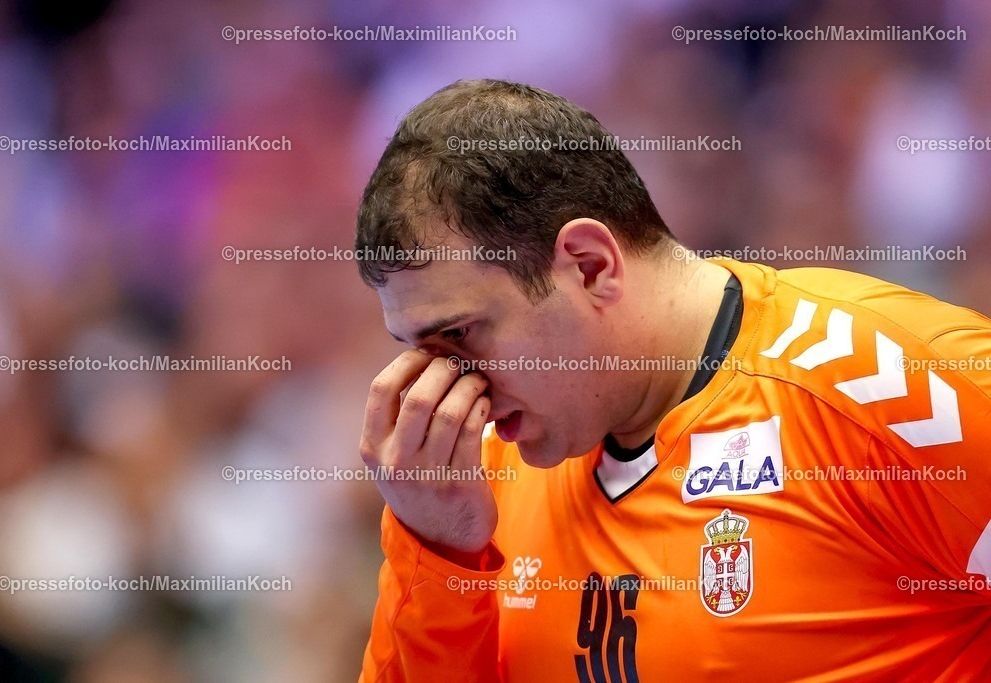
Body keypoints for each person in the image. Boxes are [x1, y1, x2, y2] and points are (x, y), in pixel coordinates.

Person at [353, 79, 991, 682]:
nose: (448, 390)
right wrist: (442, 554)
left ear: (590, 265)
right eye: (418, 350)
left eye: (461, 335)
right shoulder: (468, 482)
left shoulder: (897, 385)